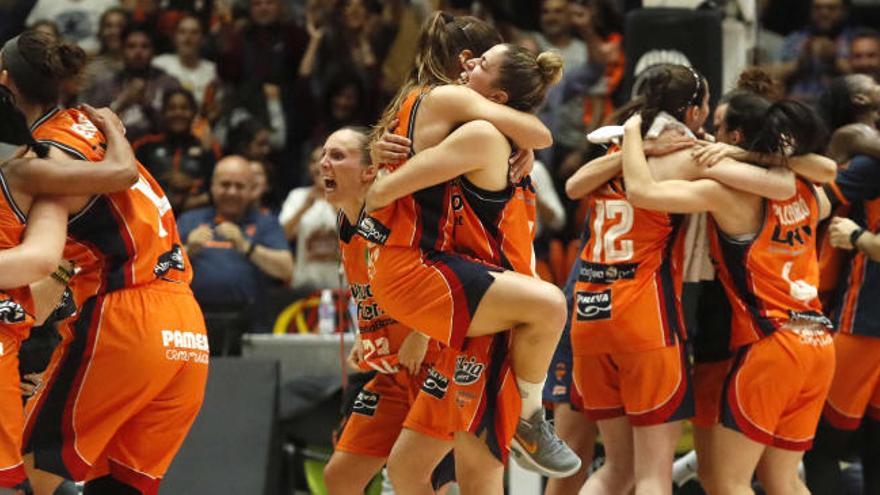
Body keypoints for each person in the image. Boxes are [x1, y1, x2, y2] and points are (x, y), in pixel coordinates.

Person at [0, 29, 208, 495]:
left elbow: (43, 259)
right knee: (119, 485)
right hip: (186, 326)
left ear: (5, 81)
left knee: (24, 468)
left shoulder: (46, 156)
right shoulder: (89, 127)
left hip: (125, 316)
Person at [618, 96, 833, 494]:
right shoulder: (810, 192)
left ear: (737, 137)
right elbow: (822, 175)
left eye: (720, 130)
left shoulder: (726, 194)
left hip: (771, 342)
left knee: (729, 483)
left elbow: (642, 191)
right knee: (782, 480)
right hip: (817, 340)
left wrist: (632, 133)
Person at [0, 87, 139, 495]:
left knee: (46, 482)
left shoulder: (52, 221)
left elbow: (40, 302)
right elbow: (121, 172)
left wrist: (65, 268)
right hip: (21, 354)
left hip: (29, 356)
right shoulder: (29, 180)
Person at [318, 126, 448, 494]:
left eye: (338, 156)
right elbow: (372, 291)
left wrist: (423, 332)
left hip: (436, 360)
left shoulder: (395, 211)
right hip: (391, 369)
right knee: (340, 476)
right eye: (324, 155)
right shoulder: (345, 219)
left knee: (417, 478)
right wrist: (366, 334)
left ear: (369, 170)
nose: (324, 163)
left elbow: (445, 270)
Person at [178, 156, 294, 352]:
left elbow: (286, 269)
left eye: (239, 186)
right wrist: (188, 250)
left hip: (250, 326)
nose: (232, 192)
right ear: (213, 187)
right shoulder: (189, 220)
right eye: (225, 185)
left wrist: (246, 247)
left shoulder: (266, 223)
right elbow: (159, 269)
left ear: (251, 190)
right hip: (194, 326)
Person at [81, 22, 182, 141]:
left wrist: (146, 105)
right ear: (122, 50)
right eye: (131, 46)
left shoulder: (168, 83)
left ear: (153, 51)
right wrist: (122, 103)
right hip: (112, 146)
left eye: (145, 46)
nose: (138, 52)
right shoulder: (105, 84)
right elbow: (90, 127)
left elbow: (175, 127)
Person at [133, 88, 219, 214]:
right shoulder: (145, 145)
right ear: (163, 112)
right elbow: (132, 183)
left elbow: (217, 187)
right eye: (172, 108)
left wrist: (192, 183)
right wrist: (163, 180)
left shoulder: (206, 146)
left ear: (193, 112)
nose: (178, 113)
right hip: (151, 212)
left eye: (184, 108)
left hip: (196, 213)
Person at [278, 148, 340, 293]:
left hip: (342, 287)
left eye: (325, 159)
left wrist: (334, 202)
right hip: (304, 286)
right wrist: (303, 208)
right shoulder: (297, 196)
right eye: (314, 161)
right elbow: (282, 236)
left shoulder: (347, 197)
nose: (320, 164)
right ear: (309, 167)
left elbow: (359, 235)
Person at [152, 15, 218, 108]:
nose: (187, 38)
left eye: (194, 32)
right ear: (174, 37)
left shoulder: (213, 71)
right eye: (182, 32)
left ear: (203, 39)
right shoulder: (159, 64)